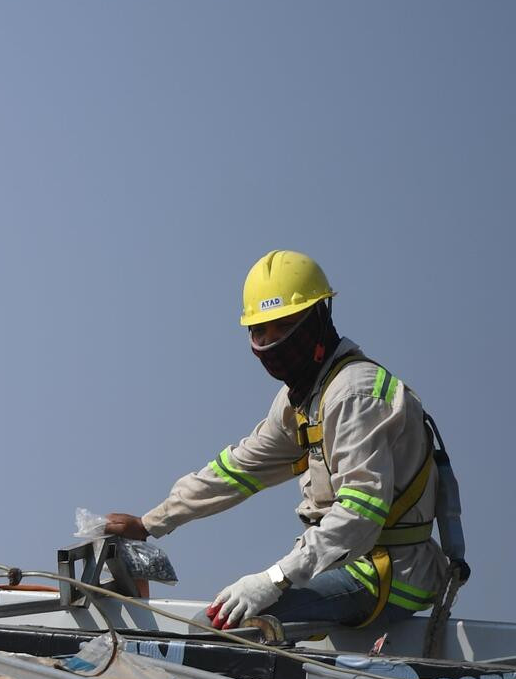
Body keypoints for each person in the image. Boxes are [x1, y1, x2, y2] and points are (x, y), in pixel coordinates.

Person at [103, 250, 455, 635]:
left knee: (217, 627)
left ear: (318, 319)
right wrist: (150, 522)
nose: (270, 342)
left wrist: (274, 579)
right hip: (341, 562)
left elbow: (361, 514)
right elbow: (237, 470)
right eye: (260, 332)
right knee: (224, 622)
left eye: (282, 327)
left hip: (385, 571)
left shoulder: (354, 395)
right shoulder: (303, 401)